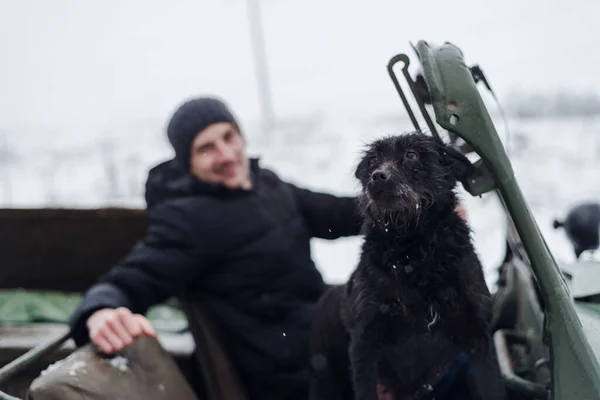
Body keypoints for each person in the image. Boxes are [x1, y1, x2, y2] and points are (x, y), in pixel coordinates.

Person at [68, 97, 363, 400]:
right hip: (293, 369)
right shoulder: (189, 220)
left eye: (228, 137)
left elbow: (337, 214)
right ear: (188, 163)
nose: (227, 155)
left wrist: (394, 202)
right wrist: (101, 310)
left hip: (326, 335)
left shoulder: (267, 184)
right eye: (206, 148)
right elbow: (134, 277)